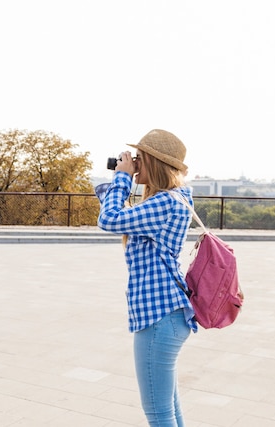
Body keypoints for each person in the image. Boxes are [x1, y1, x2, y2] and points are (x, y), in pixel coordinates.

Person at [97, 129, 196, 426]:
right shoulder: (174, 199)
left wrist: (122, 177)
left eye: (140, 158)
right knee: (169, 412)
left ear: (153, 163)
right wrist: (126, 179)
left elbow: (109, 220)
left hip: (159, 318)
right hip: (168, 315)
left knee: (159, 415)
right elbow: (124, 219)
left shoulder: (166, 202)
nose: (134, 162)